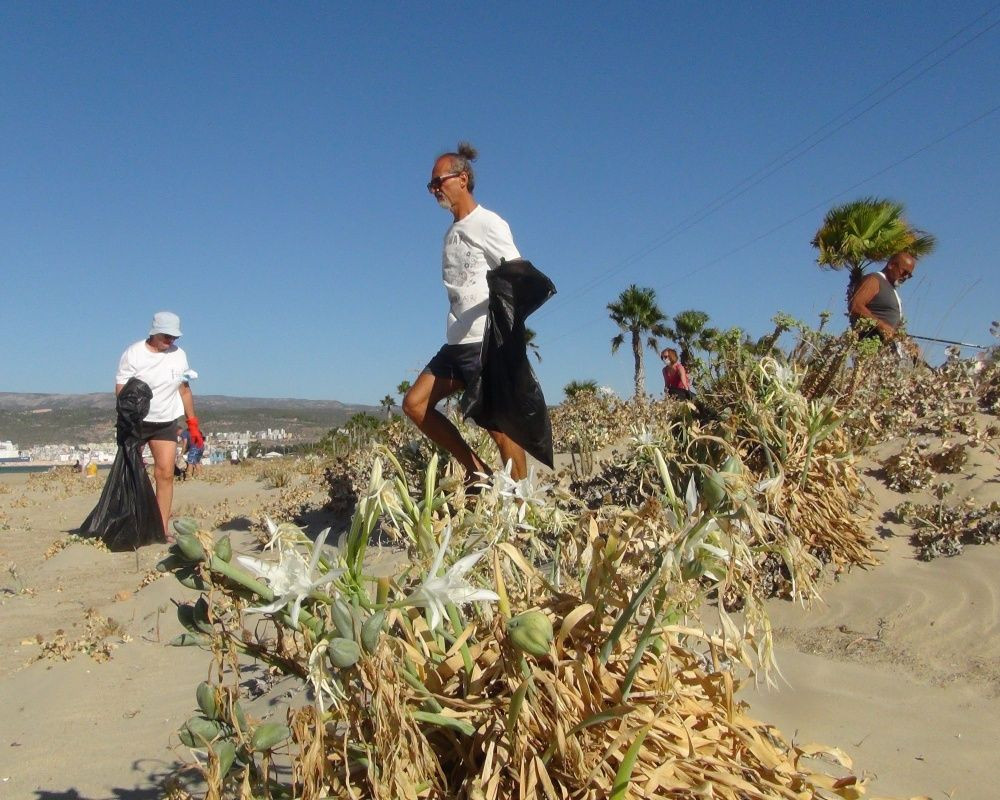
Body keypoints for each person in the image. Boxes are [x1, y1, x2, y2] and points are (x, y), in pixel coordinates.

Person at [403, 142, 527, 483]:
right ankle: (478, 473)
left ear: (462, 178)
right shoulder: (451, 233)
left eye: (437, 182)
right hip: (456, 341)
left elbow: (517, 275)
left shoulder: (488, 223)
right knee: (415, 404)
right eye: (430, 185)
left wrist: (505, 331)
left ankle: (521, 499)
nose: (433, 190)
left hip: (484, 340)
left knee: (499, 426)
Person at [114, 312, 203, 541]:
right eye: (167, 336)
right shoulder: (134, 353)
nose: (171, 340)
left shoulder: (179, 355)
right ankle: (131, 525)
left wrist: (192, 424)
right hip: (137, 422)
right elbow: (121, 389)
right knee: (132, 474)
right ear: (154, 332)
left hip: (165, 422)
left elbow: (184, 390)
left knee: (165, 474)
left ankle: (161, 530)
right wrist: (127, 420)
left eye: (175, 337)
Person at [848, 253, 916, 341]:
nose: (906, 277)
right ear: (891, 265)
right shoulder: (874, 280)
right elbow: (855, 306)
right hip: (870, 343)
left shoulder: (891, 288)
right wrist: (881, 325)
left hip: (886, 345)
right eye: (904, 272)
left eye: (909, 275)